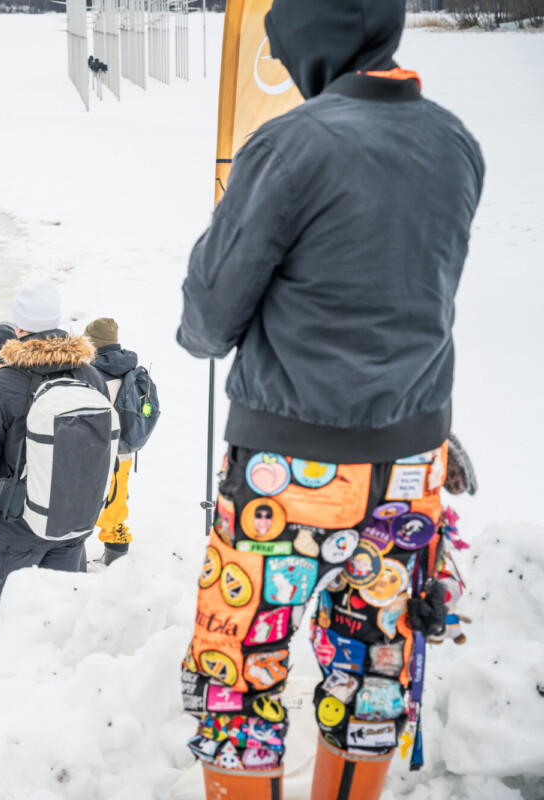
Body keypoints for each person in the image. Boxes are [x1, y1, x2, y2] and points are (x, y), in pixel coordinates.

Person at [175, 0, 483, 796]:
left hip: (287, 462)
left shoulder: (291, 143)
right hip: (411, 463)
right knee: (372, 672)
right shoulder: (455, 143)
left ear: (311, 42)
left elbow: (210, 319)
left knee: (239, 670)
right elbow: (411, 296)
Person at [0, 283, 110, 660]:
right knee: (58, 623)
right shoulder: (91, 377)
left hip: (14, 527)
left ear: (19, 329)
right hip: (72, 525)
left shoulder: (0, 385)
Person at [85, 317, 139, 566]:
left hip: (102, 452)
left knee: (95, 503)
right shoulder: (126, 365)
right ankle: (115, 556)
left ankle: (116, 563)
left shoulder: (94, 373)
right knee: (116, 503)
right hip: (125, 450)